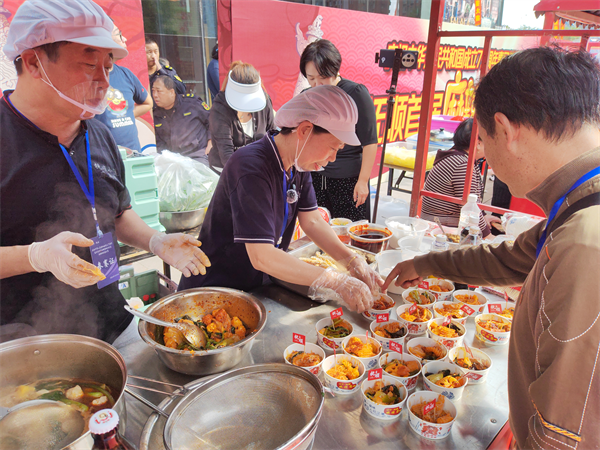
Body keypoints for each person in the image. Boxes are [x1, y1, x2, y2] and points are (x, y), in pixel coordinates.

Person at [383, 47, 600, 449]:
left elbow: (564, 431)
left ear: (506, 129)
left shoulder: (587, 241)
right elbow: (512, 257)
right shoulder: (577, 200)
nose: (487, 160)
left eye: (483, 140)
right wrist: (426, 262)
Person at [0, 0, 210, 344]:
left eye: (108, 67)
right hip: (27, 347)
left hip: (115, 323)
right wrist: (34, 256)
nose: (103, 80)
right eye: (87, 64)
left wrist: (155, 241)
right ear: (33, 62)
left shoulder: (97, 132)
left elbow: (118, 213)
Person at [180, 85, 384, 313]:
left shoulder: (298, 164)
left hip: (252, 288)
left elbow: (313, 222)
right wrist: (336, 280)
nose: (333, 158)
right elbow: (262, 257)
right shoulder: (251, 167)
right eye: (332, 147)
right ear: (305, 130)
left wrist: (351, 261)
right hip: (214, 292)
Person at [300, 39, 378, 222]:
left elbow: (370, 141)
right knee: (319, 231)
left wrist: (363, 181)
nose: (317, 85)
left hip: (348, 180)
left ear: (335, 70)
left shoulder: (355, 93)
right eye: (311, 79)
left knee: (349, 232)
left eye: (323, 77)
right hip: (316, 178)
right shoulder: (307, 95)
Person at [420, 118, 498, 237]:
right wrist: (487, 235)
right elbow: (469, 206)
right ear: (477, 143)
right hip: (441, 226)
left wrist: (483, 216)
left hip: (446, 221)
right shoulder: (462, 164)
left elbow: (472, 200)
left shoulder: (462, 158)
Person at [208, 61, 275, 173]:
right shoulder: (220, 110)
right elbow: (227, 155)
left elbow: (272, 138)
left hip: (259, 168)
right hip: (226, 171)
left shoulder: (264, 101)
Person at [95, 22, 152, 152]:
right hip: (105, 155)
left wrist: (125, 114)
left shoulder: (126, 74)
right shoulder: (88, 78)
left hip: (133, 153)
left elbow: (147, 103)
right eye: (119, 35)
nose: (125, 39)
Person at [152, 75, 212, 165]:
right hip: (173, 160)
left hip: (197, 156)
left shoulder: (192, 103)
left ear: (171, 92)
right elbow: (159, 142)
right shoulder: (156, 114)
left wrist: (211, 142)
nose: (155, 95)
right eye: (153, 91)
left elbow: (212, 122)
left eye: (159, 91)